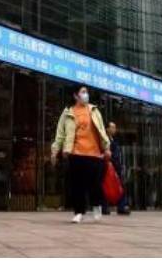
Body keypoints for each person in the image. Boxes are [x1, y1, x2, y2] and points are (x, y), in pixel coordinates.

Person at [50, 86, 111, 224]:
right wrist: (55, 150)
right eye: (83, 92)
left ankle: (96, 206)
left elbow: (102, 130)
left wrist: (106, 147)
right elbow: (60, 134)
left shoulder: (94, 110)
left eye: (86, 92)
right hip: (75, 152)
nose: (86, 94)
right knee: (77, 184)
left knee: (94, 183)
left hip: (94, 153)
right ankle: (79, 212)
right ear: (75, 95)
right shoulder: (68, 112)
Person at [102, 122, 130, 215]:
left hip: (116, 167)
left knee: (120, 187)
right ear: (107, 129)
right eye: (112, 127)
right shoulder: (104, 140)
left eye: (115, 127)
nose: (115, 129)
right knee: (106, 186)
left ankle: (121, 206)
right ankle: (104, 207)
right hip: (108, 166)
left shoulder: (114, 140)